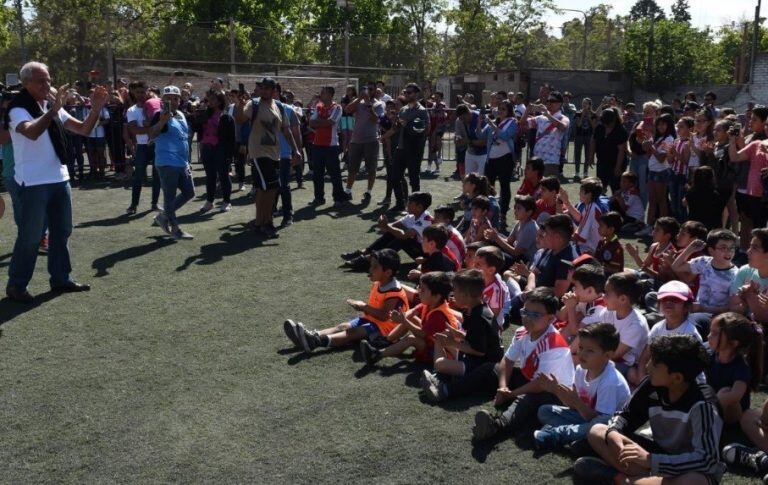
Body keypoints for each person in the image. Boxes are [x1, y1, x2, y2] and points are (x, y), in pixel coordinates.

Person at [5, 62, 109, 303]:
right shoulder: (17, 108)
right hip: (32, 182)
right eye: (41, 81)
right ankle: (16, 285)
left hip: (59, 178)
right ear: (25, 83)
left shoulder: (52, 105)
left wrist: (95, 108)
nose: (47, 85)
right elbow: (30, 132)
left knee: (62, 232)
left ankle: (61, 278)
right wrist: (52, 112)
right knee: (30, 237)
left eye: (48, 79)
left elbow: (83, 129)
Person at [576, 335, 725, 484]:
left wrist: (651, 460)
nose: (647, 366)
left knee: (694, 481)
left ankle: (619, 479)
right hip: (655, 457)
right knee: (598, 430)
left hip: (686, 469)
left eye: (655, 363)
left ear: (677, 378)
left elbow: (707, 460)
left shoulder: (703, 404)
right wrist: (614, 432)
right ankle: (640, 479)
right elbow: (626, 415)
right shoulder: (652, 385)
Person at [470, 287, 575, 441]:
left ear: (551, 319)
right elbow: (508, 360)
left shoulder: (554, 344)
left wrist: (511, 394)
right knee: (490, 369)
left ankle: (496, 425)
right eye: (525, 312)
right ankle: (446, 389)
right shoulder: (522, 332)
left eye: (535, 315)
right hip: (531, 380)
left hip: (554, 393)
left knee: (528, 398)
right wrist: (503, 387)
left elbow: (541, 384)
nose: (527, 318)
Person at [286, 249, 409, 353]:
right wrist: (364, 308)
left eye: (374, 267)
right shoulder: (380, 283)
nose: (370, 269)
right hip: (372, 320)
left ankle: (316, 342)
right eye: (371, 265)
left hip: (386, 332)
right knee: (343, 326)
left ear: (387, 272)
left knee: (352, 333)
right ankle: (313, 335)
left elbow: (383, 316)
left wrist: (363, 306)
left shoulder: (394, 292)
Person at [534, 323, 630, 451]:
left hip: (610, 427)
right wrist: (556, 391)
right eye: (580, 347)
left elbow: (600, 422)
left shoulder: (611, 382)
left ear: (608, 355)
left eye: (590, 350)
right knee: (544, 411)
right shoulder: (580, 370)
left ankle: (555, 435)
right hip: (585, 417)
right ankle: (578, 436)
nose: (582, 353)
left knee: (599, 423)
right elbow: (573, 407)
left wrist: (577, 403)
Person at [421, 269, 504, 402]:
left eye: (455, 291)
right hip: (475, 357)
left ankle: (438, 377)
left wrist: (451, 342)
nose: (452, 295)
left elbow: (480, 351)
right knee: (440, 339)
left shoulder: (479, 316)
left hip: (481, 364)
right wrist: (457, 334)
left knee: (440, 363)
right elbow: (475, 338)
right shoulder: (475, 309)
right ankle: (441, 377)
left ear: (466, 295)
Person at [235, 77, 302, 238]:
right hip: (259, 153)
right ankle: (267, 222)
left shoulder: (278, 106)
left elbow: (286, 130)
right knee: (271, 188)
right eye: (262, 88)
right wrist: (240, 104)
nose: (263, 91)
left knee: (265, 189)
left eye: (267, 88)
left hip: (274, 154)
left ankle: (259, 223)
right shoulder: (254, 104)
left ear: (274, 91)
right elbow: (240, 119)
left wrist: (296, 150)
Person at [360, 271, 458, 365]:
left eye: (423, 289)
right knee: (411, 318)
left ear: (436, 296)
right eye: (419, 287)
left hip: (442, 353)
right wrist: (400, 317)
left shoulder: (438, 315)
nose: (419, 291)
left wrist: (404, 321)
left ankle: (377, 354)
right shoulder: (431, 303)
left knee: (411, 339)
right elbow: (412, 311)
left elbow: (422, 334)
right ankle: (386, 340)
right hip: (433, 342)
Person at [581, 271, 649, 379]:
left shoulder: (636, 325)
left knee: (590, 366)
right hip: (607, 354)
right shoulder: (609, 312)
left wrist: (588, 356)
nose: (603, 297)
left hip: (626, 363)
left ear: (623, 299)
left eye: (607, 294)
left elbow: (615, 355)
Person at [148, 86, 195, 241]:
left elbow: (184, 138)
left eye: (175, 98)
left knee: (189, 192)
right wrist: (162, 122)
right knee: (169, 196)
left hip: (182, 163)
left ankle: (163, 217)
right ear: (163, 100)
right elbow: (152, 134)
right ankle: (175, 229)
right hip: (167, 162)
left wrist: (187, 161)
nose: (173, 101)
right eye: (168, 98)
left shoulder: (181, 114)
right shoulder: (159, 115)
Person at [341, 192, 433, 270]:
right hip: (418, 248)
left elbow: (404, 235)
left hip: (428, 256)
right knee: (393, 233)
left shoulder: (426, 220)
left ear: (419, 207)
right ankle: (366, 252)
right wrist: (383, 225)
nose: (407, 204)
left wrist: (386, 226)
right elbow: (391, 227)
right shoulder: (412, 216)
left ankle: (372, 259)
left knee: (402, 239)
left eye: (410, 203)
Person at [706, 312, 763, 426]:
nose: (708, 336)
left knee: (725, 391)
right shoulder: (710, 355)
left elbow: (735, 395)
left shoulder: (741, 366)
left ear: (733, 343)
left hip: (733, 414)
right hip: (713, 405)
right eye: (710, 331)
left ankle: (708, 416)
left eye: (715, 333)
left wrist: (711, 403)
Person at [671, 230, 738, 315]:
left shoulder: (736, 275)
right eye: (723, 248)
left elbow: (731, 308)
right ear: (711, 251)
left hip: (715, 316)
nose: (729, 252)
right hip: (696, 309)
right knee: (655, 297)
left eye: (732, 248)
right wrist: (690, 249)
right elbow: (676, 267)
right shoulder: (703, 262)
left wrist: (703, 309)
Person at [391, 83, 429, 212]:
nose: (406, 95)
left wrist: (407, 124)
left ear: (416, 94)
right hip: (401, 148)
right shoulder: (403, 109)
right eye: (405, 92)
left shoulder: (422, 111)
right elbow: (397, 128)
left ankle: (417, 207)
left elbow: (422, 130)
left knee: (414, 178)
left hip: (414, 149)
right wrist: (395, 122)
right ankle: (400, 204)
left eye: (409, 93)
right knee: (395, 177)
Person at [345, 81, 384, 202]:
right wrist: (359, 99)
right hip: (356, 141)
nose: (368, 91)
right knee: (352, 168)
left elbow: (375, 119)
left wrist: (367, 103)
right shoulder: (359, 102)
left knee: (371, 169)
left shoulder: (378, 104)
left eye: (371, 89)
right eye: (367, 89)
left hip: (371, 141)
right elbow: (347, 109)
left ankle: (368, 192)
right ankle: (348, 191)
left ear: (375, 91)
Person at [308, 86, 346, 209]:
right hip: (317, 145)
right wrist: (322, 122)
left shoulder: (337, 107)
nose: (321, 95)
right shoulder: (318, 107)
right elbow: (311, 122)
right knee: (317, 174)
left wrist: (320, 122)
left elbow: (331, 122)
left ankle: (339, 198)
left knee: (335, 174)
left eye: (323, 93)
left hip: (331, 146)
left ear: (330, 95)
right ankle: (319, 198)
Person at [126, 81, 161, 214]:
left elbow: (163, 124)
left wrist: (149, 128)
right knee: (138, 176)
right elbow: (134, 130)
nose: (141, 95)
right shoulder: (132, 110)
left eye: (143, 91)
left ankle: (155, 204)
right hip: (142, 147)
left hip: (157, 145)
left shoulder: (156, 105)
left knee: (157, 175)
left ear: (148, 91)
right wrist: (152, 128)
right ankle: (134, 205)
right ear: (134, 93)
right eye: (138, 92)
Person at [199, 89, 236, 214]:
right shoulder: (205, 113)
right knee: (210, 176)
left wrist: (229, 155)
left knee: (224, 176)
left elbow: (231, 138)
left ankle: (226, 201)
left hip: (220, 149)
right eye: (209, 99)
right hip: (207, 148)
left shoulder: (226, 117)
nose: (210, 101)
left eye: (213, 99)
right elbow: (196, 127)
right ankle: (209, 202)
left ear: (220, 101)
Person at [483, 100, 518, 226]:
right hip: (491, 158)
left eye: (503, 109)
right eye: (499, 109)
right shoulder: (496, 121)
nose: (500, 111)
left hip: (505, 158)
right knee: (488, 186)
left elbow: (504, 136)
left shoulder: (513, 122)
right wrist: (479, 123)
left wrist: (492, 124)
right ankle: (489, 212)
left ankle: (502, 214)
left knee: (504, 186)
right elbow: (481, 135)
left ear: (509, 111)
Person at [524, 91, 570, 177]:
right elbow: (523, 125)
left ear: (560, 104)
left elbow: (563, 127)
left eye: (552, 101)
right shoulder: (541, 118)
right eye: (548, 101)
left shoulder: (563, 118)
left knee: (547, 189)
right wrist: (527, 110)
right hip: (536, 161)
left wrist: (547, 114)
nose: (549, 103)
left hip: (551, 162)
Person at [483, 195, 538, 263]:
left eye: (519, 208)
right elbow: (509, 241)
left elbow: (516, 252)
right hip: (517, 255)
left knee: (493, 255)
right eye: (515, 207)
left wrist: (496, 238)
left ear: (529, 212)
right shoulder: (519, 222)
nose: (515, 211)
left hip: (525, 261)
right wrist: (495, 235)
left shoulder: (530, 228)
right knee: (495, 241)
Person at [559, 177, 603, 254]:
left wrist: (563, 240)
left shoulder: (592, 208)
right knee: (565, 220)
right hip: (588, 245)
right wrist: (566, 202)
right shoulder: (590, 206)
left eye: (581, 191)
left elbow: (581, 237)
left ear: (589, 194)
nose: (579, 193)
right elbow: (580, 221)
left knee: (560, 250)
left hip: (589, 249)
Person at [589, 107, 627, 193]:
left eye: (608, 123)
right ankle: (601, 204)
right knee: (600, 187)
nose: (606, 125)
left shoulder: (621, 131)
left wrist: (618, 167)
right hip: (602, 162)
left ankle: (617, 206)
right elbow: (593, 141)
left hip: (615, 163)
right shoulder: (599, 127)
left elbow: (621, 151)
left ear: (614, 120)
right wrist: (591, 156)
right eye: (604, 122)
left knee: (616, 188)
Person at [594, 211, 624, 276]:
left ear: (611, 229)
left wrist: (598, 268)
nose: (598, 228)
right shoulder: (601, 242)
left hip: (612, 279)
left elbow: (615, 269)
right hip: (601, 274)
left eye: (601, 226)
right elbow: (596, 260)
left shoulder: (616, 247)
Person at [573, 98, 596, 180]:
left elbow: (594, 127)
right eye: (583, 103)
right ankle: (577, 172)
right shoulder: (577, 113)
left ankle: (585, 172)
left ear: (589, 105)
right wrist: (582, 115)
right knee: (577, 154)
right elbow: (578, 124)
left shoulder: (593, 114)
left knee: (587, 155)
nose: (584, 105)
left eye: (586, 103)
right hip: (579, 136)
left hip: (588, 136)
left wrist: (589, 118)